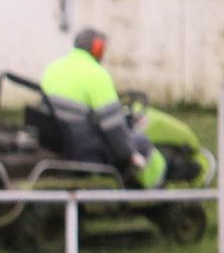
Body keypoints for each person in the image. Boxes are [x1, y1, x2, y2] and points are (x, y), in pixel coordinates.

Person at [39, 27, 165, 188]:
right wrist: (129, 153)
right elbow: (113, 126)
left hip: (58, 140)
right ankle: (159, 196)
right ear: (97, 48)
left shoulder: (53, 67)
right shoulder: (97, 75)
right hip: (84, 149)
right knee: (142, 142)